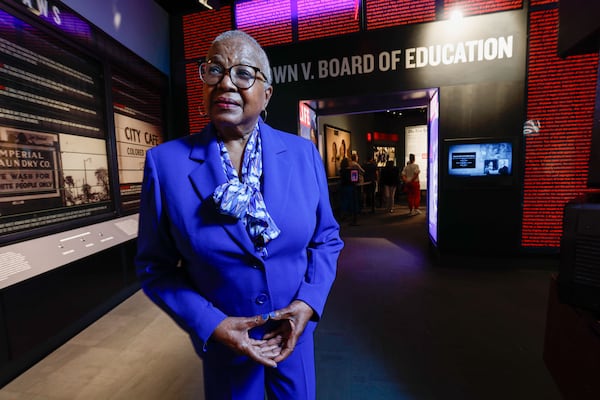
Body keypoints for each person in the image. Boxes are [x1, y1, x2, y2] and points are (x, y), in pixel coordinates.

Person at [135, 30, 343, 400]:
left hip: (292, 338)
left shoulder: (303, 154)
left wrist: (308, 303)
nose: (226, 83)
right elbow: (155, 267)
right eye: (214, 70)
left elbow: (326, 238)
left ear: (267, 95)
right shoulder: (165, 165)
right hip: (226, 345)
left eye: (243, 73)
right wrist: (211, 324)